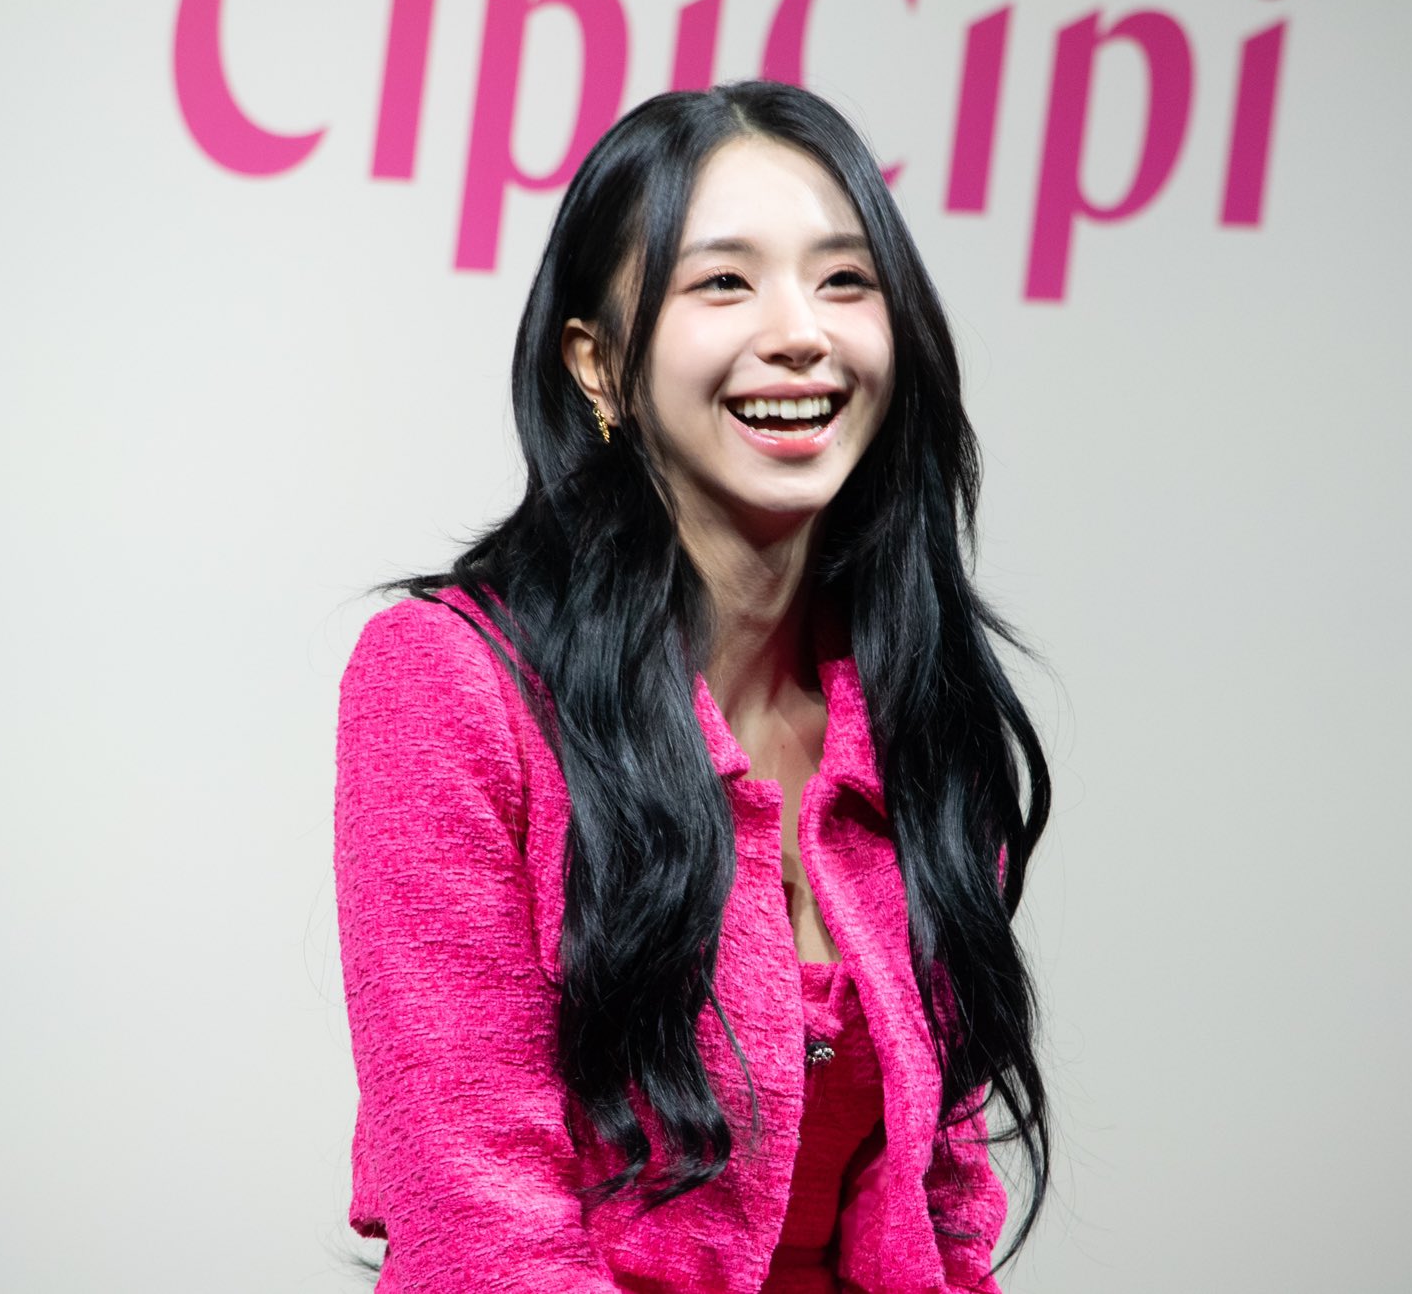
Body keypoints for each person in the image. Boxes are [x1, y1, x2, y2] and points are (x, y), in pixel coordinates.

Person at [333, 79, 1052, 1293]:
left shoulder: (919, 714)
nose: (800, 333)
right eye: (723, 282)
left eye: (843, 280)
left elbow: (942, 1216)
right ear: (598, 365)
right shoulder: (448, 681)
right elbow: (478, 1224)